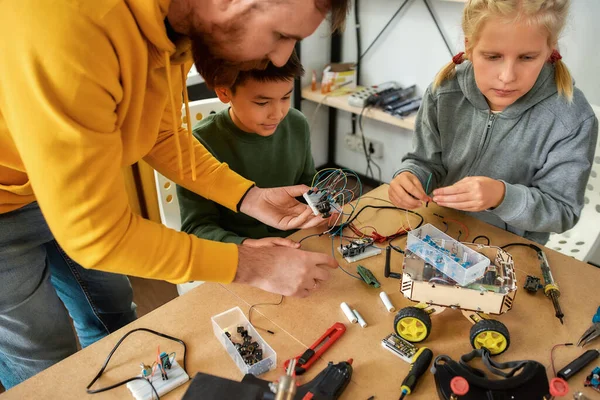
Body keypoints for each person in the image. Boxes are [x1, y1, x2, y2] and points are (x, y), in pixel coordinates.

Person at [0, 0, 350, 389]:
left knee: (112, 314)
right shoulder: (72, 30)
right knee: (44, 361)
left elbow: (162, 134)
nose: (282, 56)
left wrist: (248, 196)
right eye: (281, 35)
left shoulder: (181, 25)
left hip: (60, 180)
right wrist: (252, 264)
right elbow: (97, 236)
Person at [389, 0, 598, 244]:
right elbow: (425, 162)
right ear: (469, 46)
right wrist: (410, 175)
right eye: (493, 56)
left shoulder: (572, 118)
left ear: (550, 49)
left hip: (511, 250)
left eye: (527, 57)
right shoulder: (444, 92)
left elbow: (562, 211)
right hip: (440, 232)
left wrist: (501, 197)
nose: (507, 77)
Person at [178, 51, 317, 248]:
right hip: (238, 251)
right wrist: (246, 246)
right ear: (224, 92)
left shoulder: (296, 124)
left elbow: (309, 184)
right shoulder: (198, 144)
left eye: (286, 97)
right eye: (262, 103)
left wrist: (322, 206)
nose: (277, 114)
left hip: (297, 240)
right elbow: (196, 227)